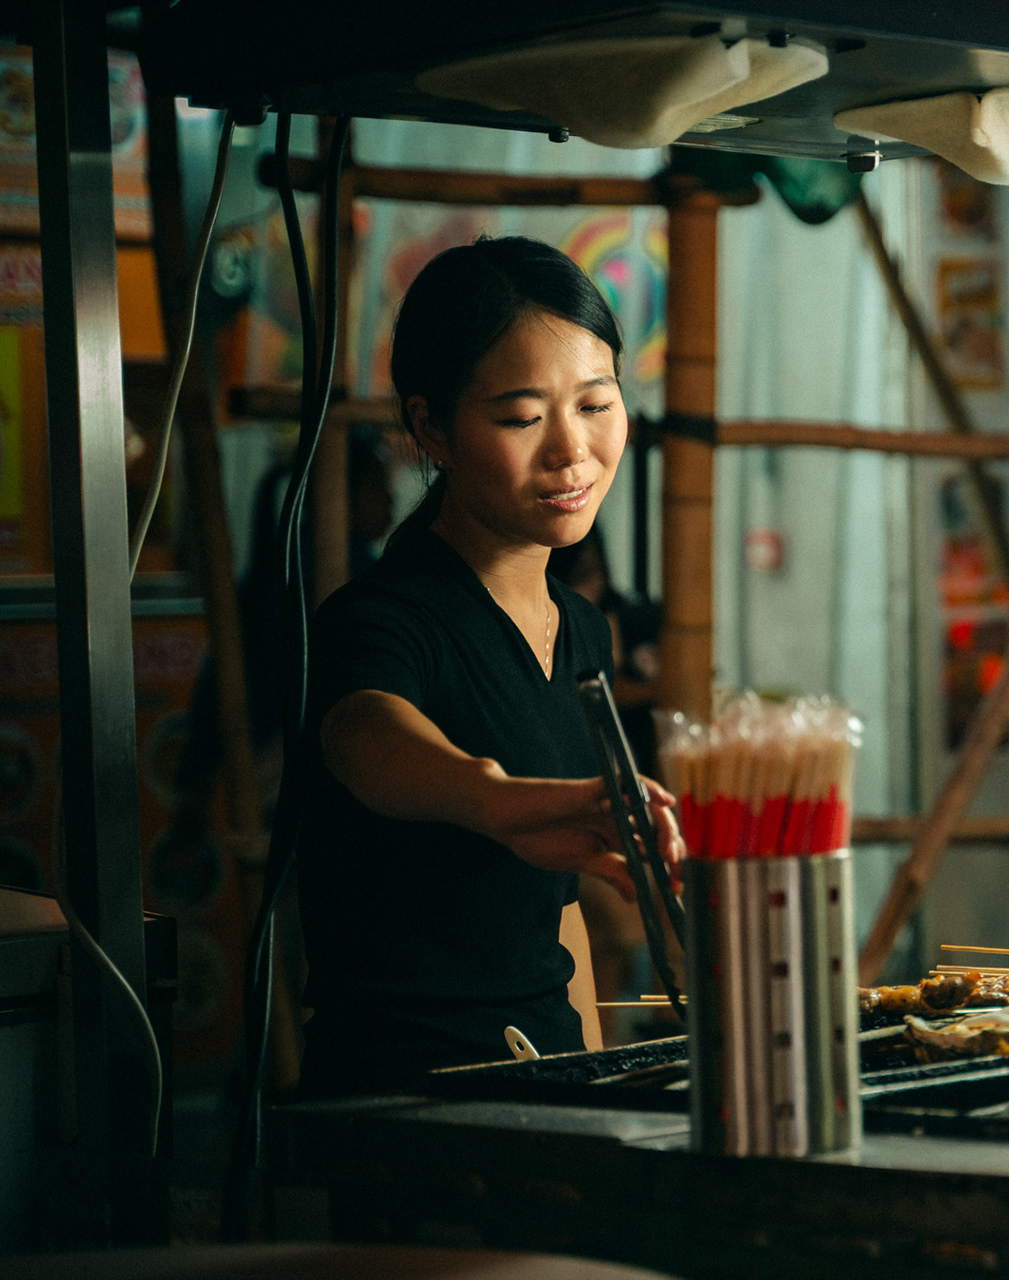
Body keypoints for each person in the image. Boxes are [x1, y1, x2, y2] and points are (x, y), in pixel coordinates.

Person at [295, 236, 683, 1097]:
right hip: (404, 1097)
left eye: (596, 404)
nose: (571, 451)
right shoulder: (382, 617)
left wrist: (588, 1086)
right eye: (520, 419)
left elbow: (560, 918)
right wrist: (502, 801)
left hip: (547, 1085)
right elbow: (365, 735)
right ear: (432, 427)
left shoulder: (581, 630)